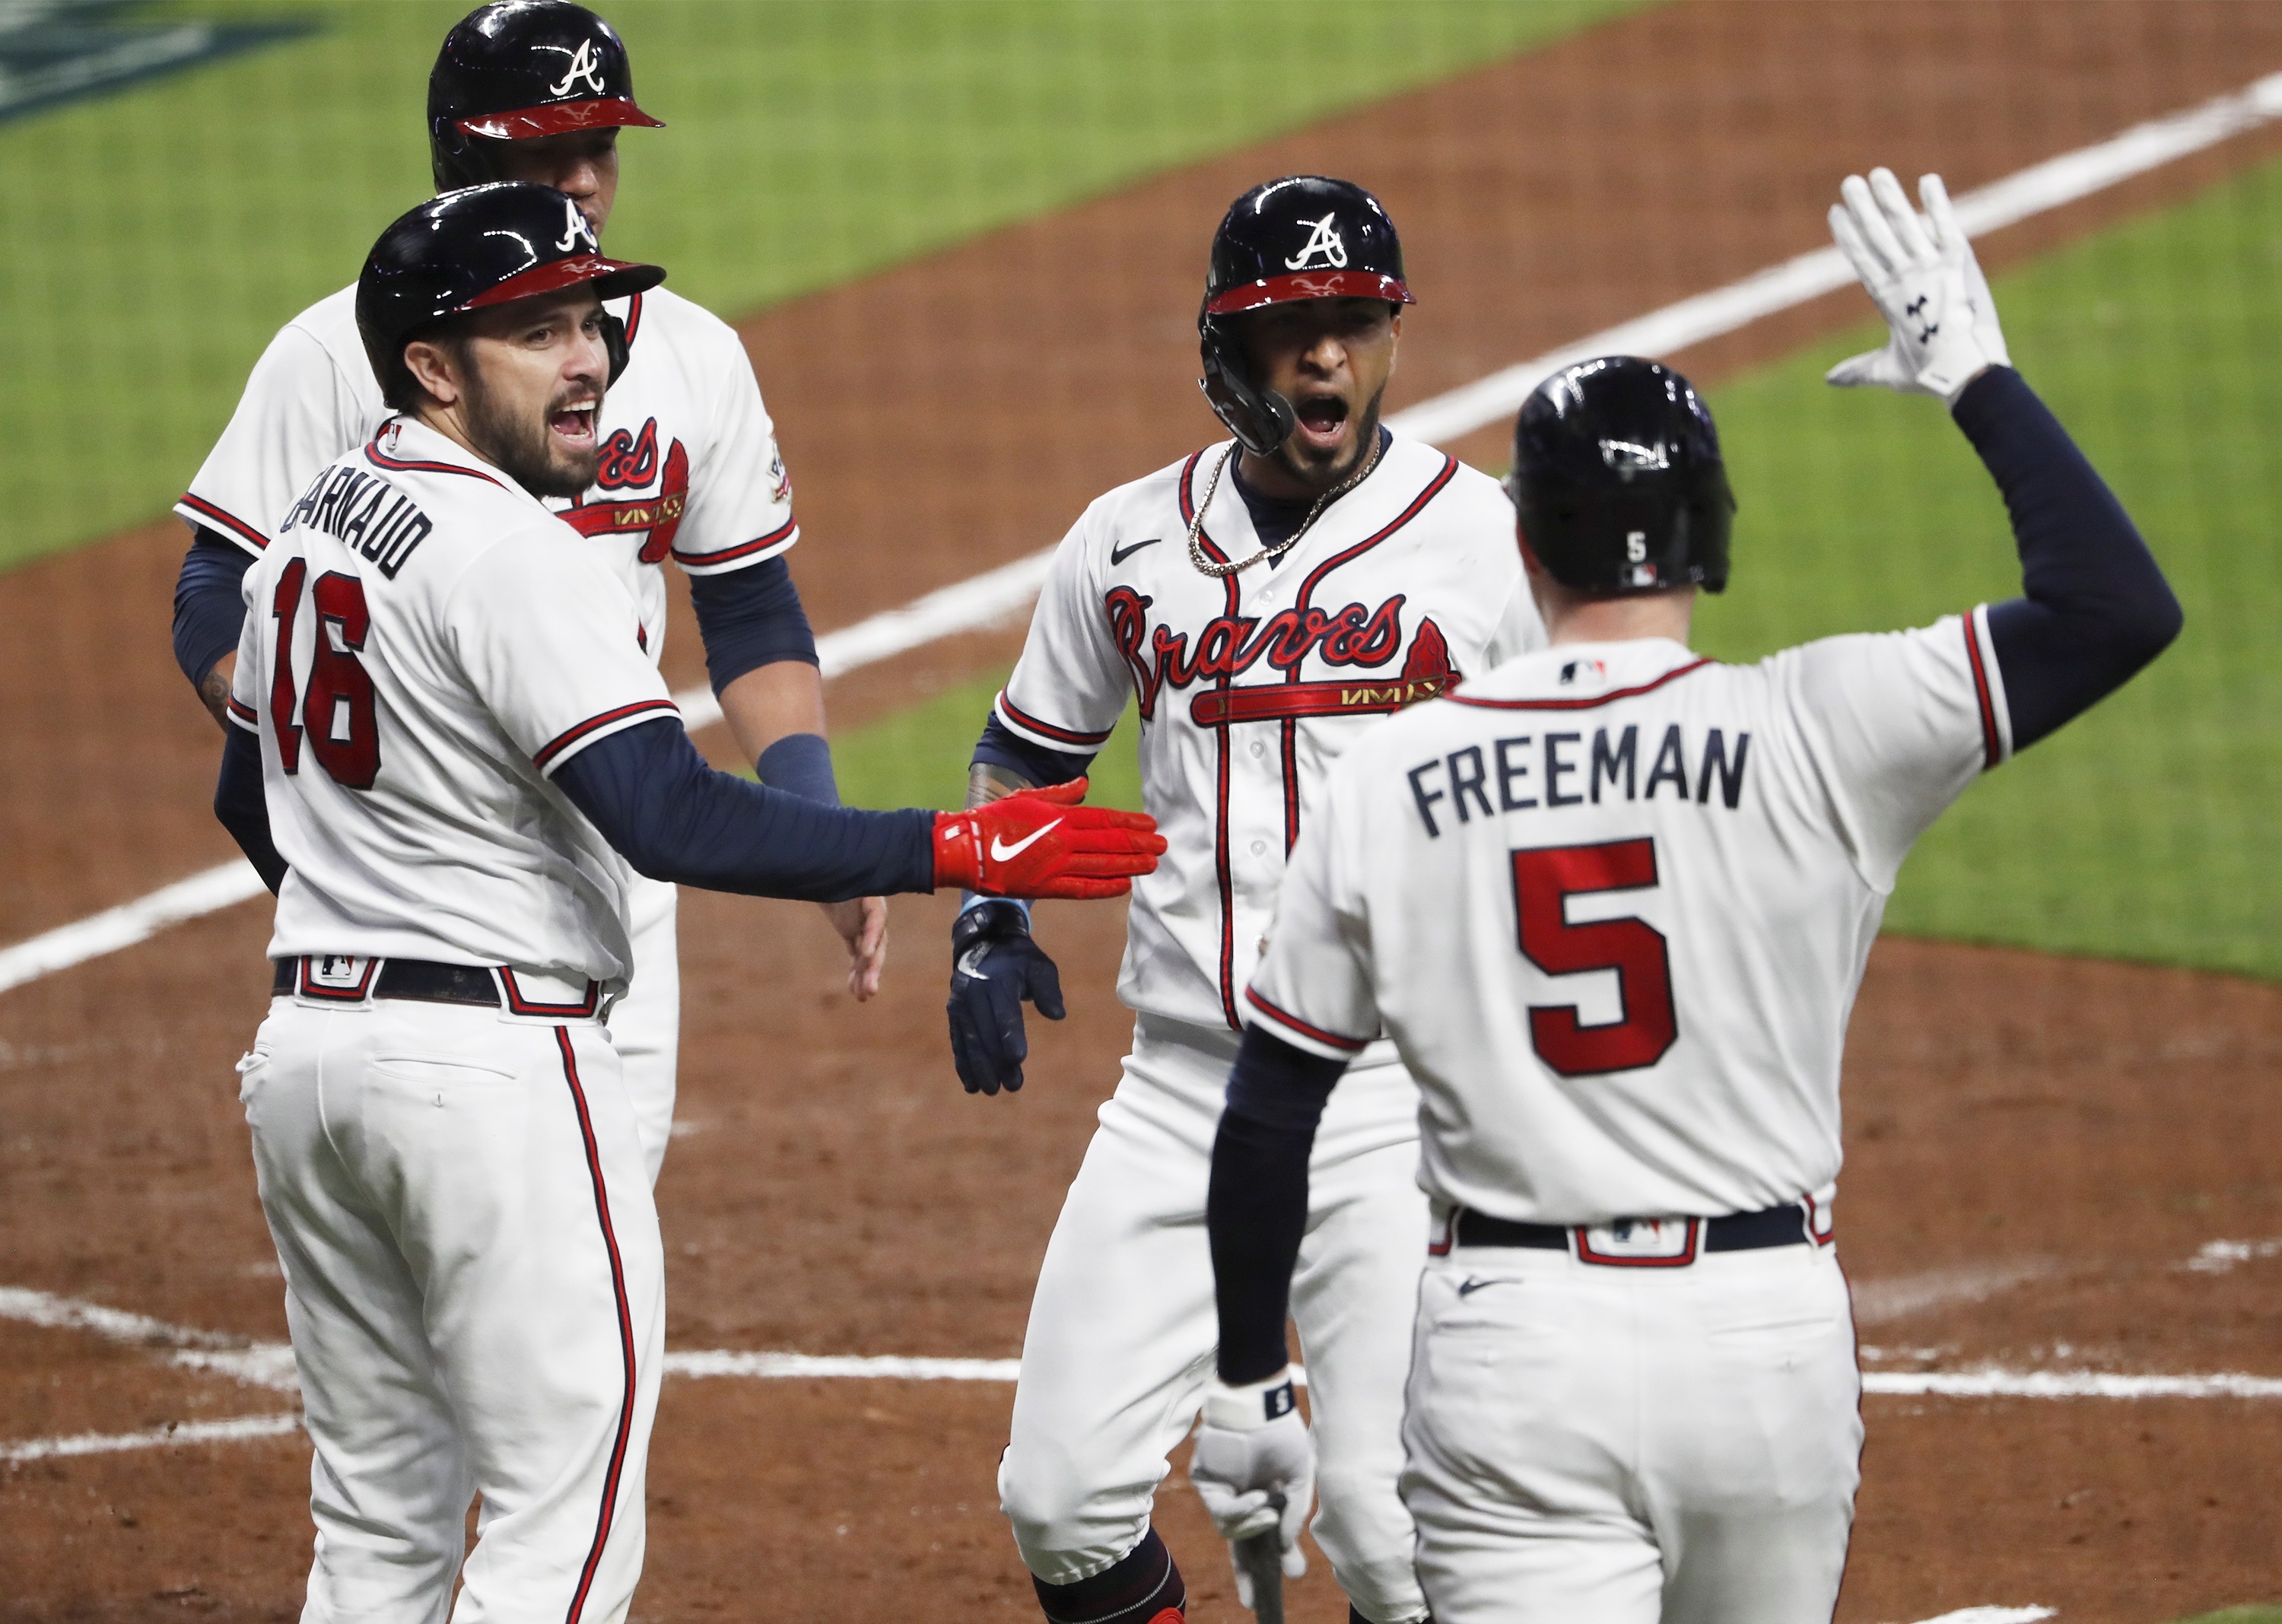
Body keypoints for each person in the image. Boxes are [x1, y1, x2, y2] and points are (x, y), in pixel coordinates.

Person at [1200, 168, 2181, 1622]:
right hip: (1764, 1345)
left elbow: (1271, 1113)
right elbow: (2118, 607)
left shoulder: (1393, 776)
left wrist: (1246, 1379)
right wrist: (1976, 376)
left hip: (1511, 1350)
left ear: (1524, 549)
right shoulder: (1829, 725)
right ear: (1713, 539)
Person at [218, 182, 1161, 1622]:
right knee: (564, 1533)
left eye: (590, 320)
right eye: (536, 331)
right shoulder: (509, 551)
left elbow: (246, 796)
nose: (590, 355)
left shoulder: (307, 536)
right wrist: (956, 849)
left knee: (377, 1530)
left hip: (307, 1061)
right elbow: (665, 811)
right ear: (432, 367)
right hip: (488, 1072)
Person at [954, 175, 1545, 1624]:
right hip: (1183, 1092)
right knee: (1061, 1498)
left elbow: (1584, 774)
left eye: (1355, 322)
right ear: (1227, 350)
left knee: (1402, 1545)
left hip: (1396, 1097)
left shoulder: (1487, 541)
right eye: (1293, 329)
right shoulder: (1125, 541)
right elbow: (1028, 750)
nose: (1328, 356)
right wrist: (990, 916)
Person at [173, 0, 860, 1187]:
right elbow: (214, 589)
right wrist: (328, 798)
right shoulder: (347, 351)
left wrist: (826, 829)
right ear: (463, 153)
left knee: (594, 1246)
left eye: (601, 148)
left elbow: (748, 606)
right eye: (550, 149)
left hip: (614, 853)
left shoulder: (691, 353)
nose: (586, 180)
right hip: (421, 855)